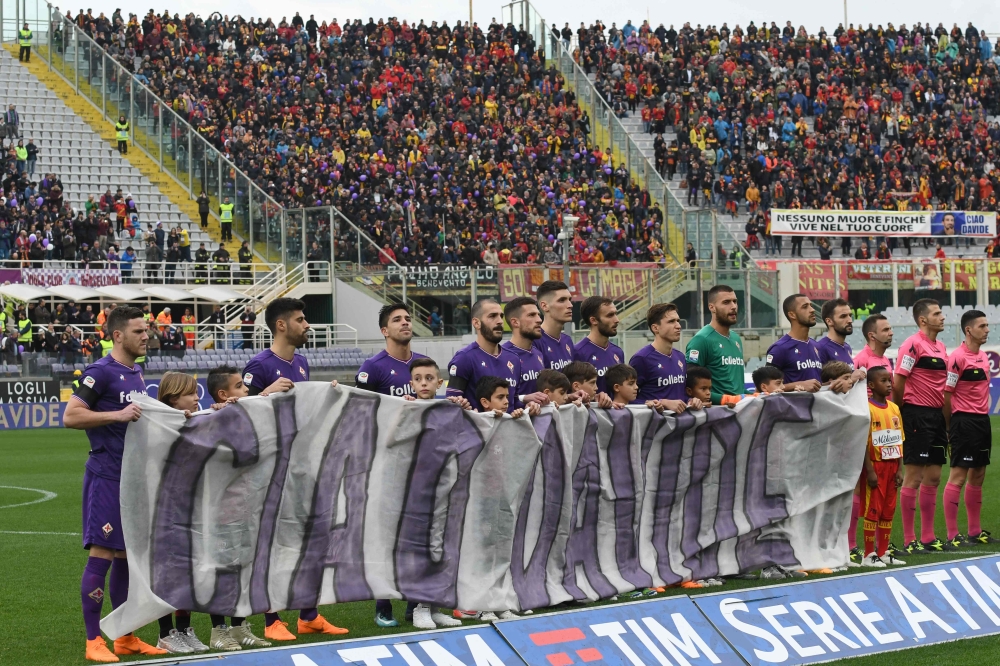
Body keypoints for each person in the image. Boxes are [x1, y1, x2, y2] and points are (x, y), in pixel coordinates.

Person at [63, 306, 167, 663]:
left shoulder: (135, 372)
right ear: (118, 335)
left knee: (125, 556)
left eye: (147, 330)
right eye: (139, 331)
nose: (146, 336)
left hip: (132, 477)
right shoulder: (100, 372)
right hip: (106, 476)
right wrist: (117, 414)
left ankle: (124, 637)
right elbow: (71, 415)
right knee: (103, 554)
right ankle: (94, 641)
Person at [241, 297, 347, 641]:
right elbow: (238, 415)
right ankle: (271, 619)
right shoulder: (258, 366)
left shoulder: (301, 362)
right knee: (271, 542)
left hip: (303, 465)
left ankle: (308, 615)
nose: (307, 325)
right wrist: (265, 393)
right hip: (270, 468)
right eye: (301, 320)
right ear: (281, 325)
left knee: (311, 538)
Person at [405, 357, 469, 630]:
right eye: (418, 378)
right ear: (410, 382)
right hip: (414, 491)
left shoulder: (449, 408)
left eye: (429, 378)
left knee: (441, 546)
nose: (423, 383)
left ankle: (435, 605)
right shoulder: (404, 408)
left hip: (445, 487)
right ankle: (419, 605)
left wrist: (463, 408)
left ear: (440, 383)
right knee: (419, 549)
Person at [152, 373, 213, 654]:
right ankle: (166, 633)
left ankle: (186, 629)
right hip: (164, 510)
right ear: (174, 397)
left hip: (190, 506)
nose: (196, 397)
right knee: (167, 573)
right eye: (190, 393)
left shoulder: (195, 421)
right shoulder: (155, 424)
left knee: (188, 570)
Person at [893, 298, 955, 554]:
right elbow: (898, 383)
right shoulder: (912, 345)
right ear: (922, 320)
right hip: (916, 415)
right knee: (914, 477)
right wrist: (903, 414)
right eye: (937, 313)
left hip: (936, 416)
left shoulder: (940, 346)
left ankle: (928, 537)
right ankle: (910, 540)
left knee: (934, 477)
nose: (942, 317)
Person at [942, 310, 996, 547]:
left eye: (987, 325)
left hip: (982, 422)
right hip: (963, 422)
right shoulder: (957, 358)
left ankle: (974, 531)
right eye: (982, 326)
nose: (987, 329)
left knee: (979, 475)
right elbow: (947, 394)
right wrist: (949, 426)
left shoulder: (983, 357)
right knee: (958, 476)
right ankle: (953, 535)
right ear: (968, 330)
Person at [767, 294, 865, 393]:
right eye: (805, 307)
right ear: (792, 315)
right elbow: (766, 387)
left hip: (814, 407)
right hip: (791, 407)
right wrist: (798, 385)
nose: (812, 310)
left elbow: (816, 385)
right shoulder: (779, 348)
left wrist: (834, 384)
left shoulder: (816, 346)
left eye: (811, 305)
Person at [860, 366, 907, 568]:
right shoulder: (867, 409)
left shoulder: (894, 408)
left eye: (890, 380)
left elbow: (899, 440)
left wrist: (900, 468)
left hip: (892, 466)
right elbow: (862, 442)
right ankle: (868, 554)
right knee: (873, 510)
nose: (889, 384)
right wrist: (869, 470)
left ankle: (883, 551)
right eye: (884, 380)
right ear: (871, 385)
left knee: (888, 510)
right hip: (875, 466)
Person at [446, 298, 522, 412]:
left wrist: (529, 407)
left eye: (501, 316)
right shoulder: (464, 358)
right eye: (492, 316)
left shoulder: (514, 359)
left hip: (508, 429)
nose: (500, 321)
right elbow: (450, 405)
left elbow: (515, 403)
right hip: (477, 429)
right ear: (476, 323)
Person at [630, 303, 703, 412]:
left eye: (678, 321)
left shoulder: (680, 357)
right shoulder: (641, 359)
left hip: (680, 425)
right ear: (655, 328)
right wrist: (662, 402)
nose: (678, 326)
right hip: (655, 426)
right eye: (671, 321)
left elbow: (679, 395)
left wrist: (691, 401)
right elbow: (627, 400)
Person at [685, 285, 745, 404]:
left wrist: (757, 394)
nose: (733, 306)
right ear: (712, 307)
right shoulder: (701, 340)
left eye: (735, 301)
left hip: (740, 411)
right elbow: (690, 385)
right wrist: (724, 400)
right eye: (726, 302)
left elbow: (736, 388)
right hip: (716, 413)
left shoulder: (736, 339)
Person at [356, 303, 425, 401]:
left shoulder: (425, 362)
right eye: (397, 320)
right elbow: (359, 408)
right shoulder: (372, 367)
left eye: (408, 319)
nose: (405, 322)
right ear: (385, 331)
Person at [573, 296, 624, 398]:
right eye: (610, 315)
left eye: (615, 314)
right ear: (593, 320)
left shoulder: (618, 352)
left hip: (617, 413)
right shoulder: (578, 352)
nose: (616, 320)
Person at [502, 297, 548, 400]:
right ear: (515, 322)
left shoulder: (538, 354)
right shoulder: (502, 356)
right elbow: (499, 399)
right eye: (531, 315)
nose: (539, 320)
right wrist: (524, 398)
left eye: (538, 315)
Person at [534, 280, 574, 371]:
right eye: (562, 300)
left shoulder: (567, 340)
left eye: (569, 300)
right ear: (544, 306)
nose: (570, 305)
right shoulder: (535, 342)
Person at [816, 298, 855, 368]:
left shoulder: (847, 347)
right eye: (843, 316)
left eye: (850, 315)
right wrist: (851, 377)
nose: (850, 320)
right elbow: (817, 378)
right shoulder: (821, 348)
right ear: (829, 321)